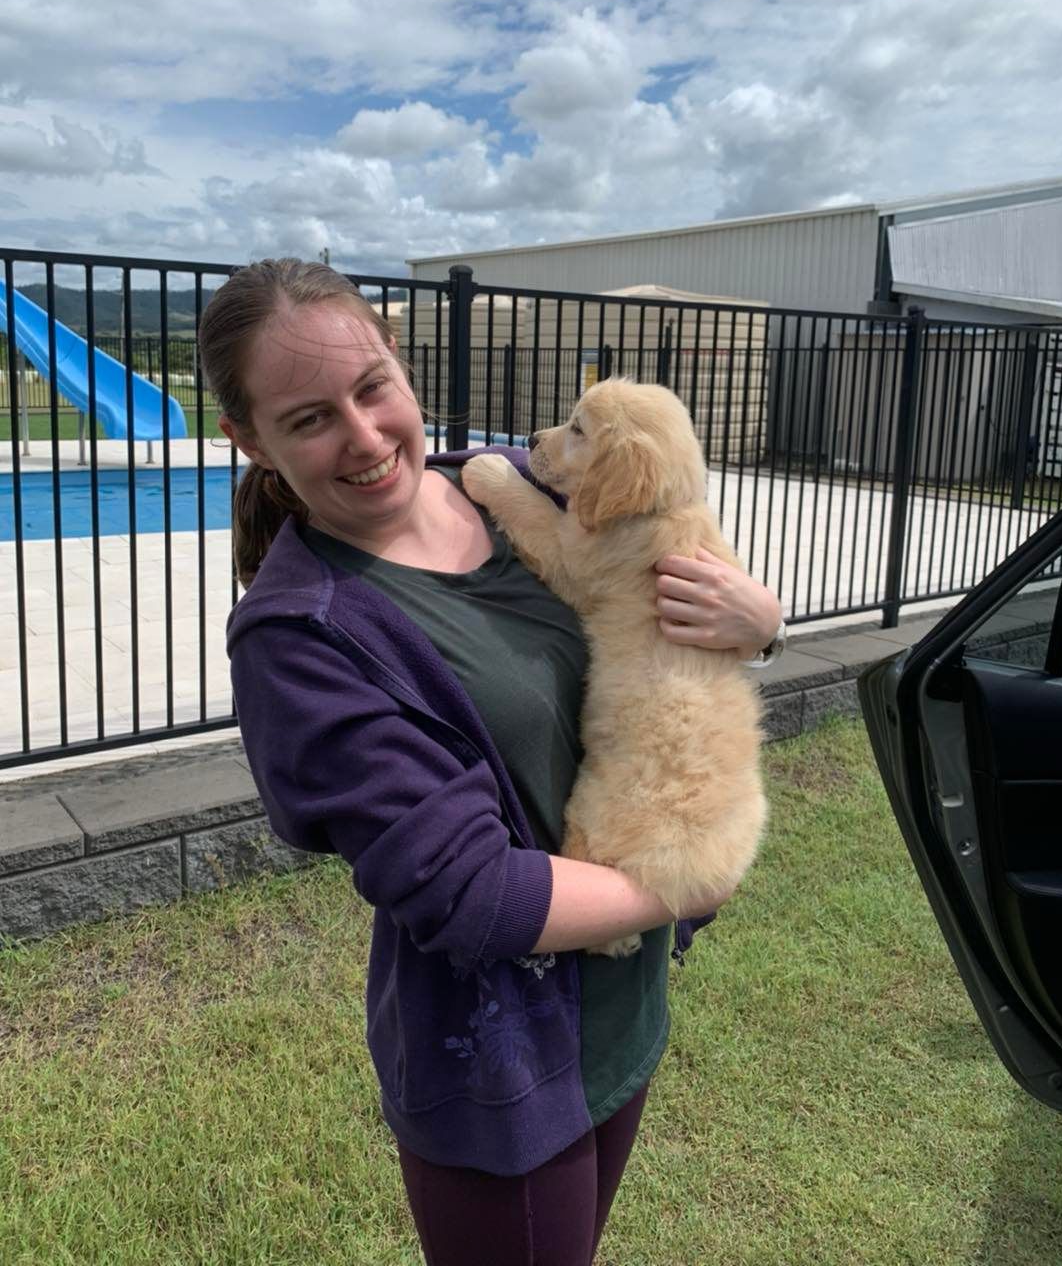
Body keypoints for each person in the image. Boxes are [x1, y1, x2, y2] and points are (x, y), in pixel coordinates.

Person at [200, 258, 784, 1266]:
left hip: (623, 1007)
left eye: (372, 387)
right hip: (498, 1060)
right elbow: (466, 892)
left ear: (403, 365)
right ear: (251, 441)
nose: (365, 437)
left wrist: (762, 623)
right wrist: (688, 880)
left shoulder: (514, 482)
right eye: (310, 419)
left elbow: (664, 593)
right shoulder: (301, 635)